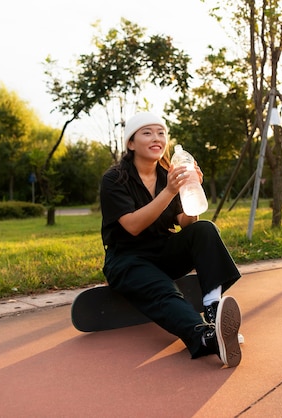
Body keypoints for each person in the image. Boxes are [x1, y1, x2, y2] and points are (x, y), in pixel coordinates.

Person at [100, 112, 243, 367]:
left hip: (164, 251)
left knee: (205, 230)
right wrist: (169, 191)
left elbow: (186, 223)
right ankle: (206, 338)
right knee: (166, 293)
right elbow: (132, 226)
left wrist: (191, 190)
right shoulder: (114, 179)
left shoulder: (171, 173)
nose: (157, 138)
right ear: (131, 143)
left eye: (161, 132)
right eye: (147, 132)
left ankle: (212, 309)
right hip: (127, 258)